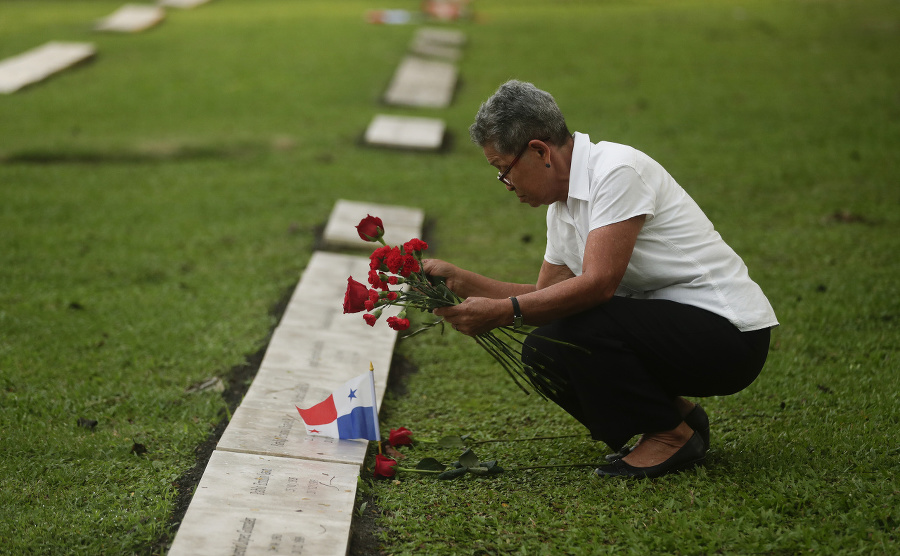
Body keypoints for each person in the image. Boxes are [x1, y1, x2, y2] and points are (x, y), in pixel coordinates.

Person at [425, 80, 778, 479]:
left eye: (502, 170)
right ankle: (679, 420)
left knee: (576, 327)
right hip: (677, 333)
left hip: (730, 337)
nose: (507, 186)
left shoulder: (615, 171)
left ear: (539, 151)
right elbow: (548, 297)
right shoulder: (562, 207)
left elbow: (598, 285)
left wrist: (503, 313)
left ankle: (669, 437)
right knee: (545, 350)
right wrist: (462, 281)